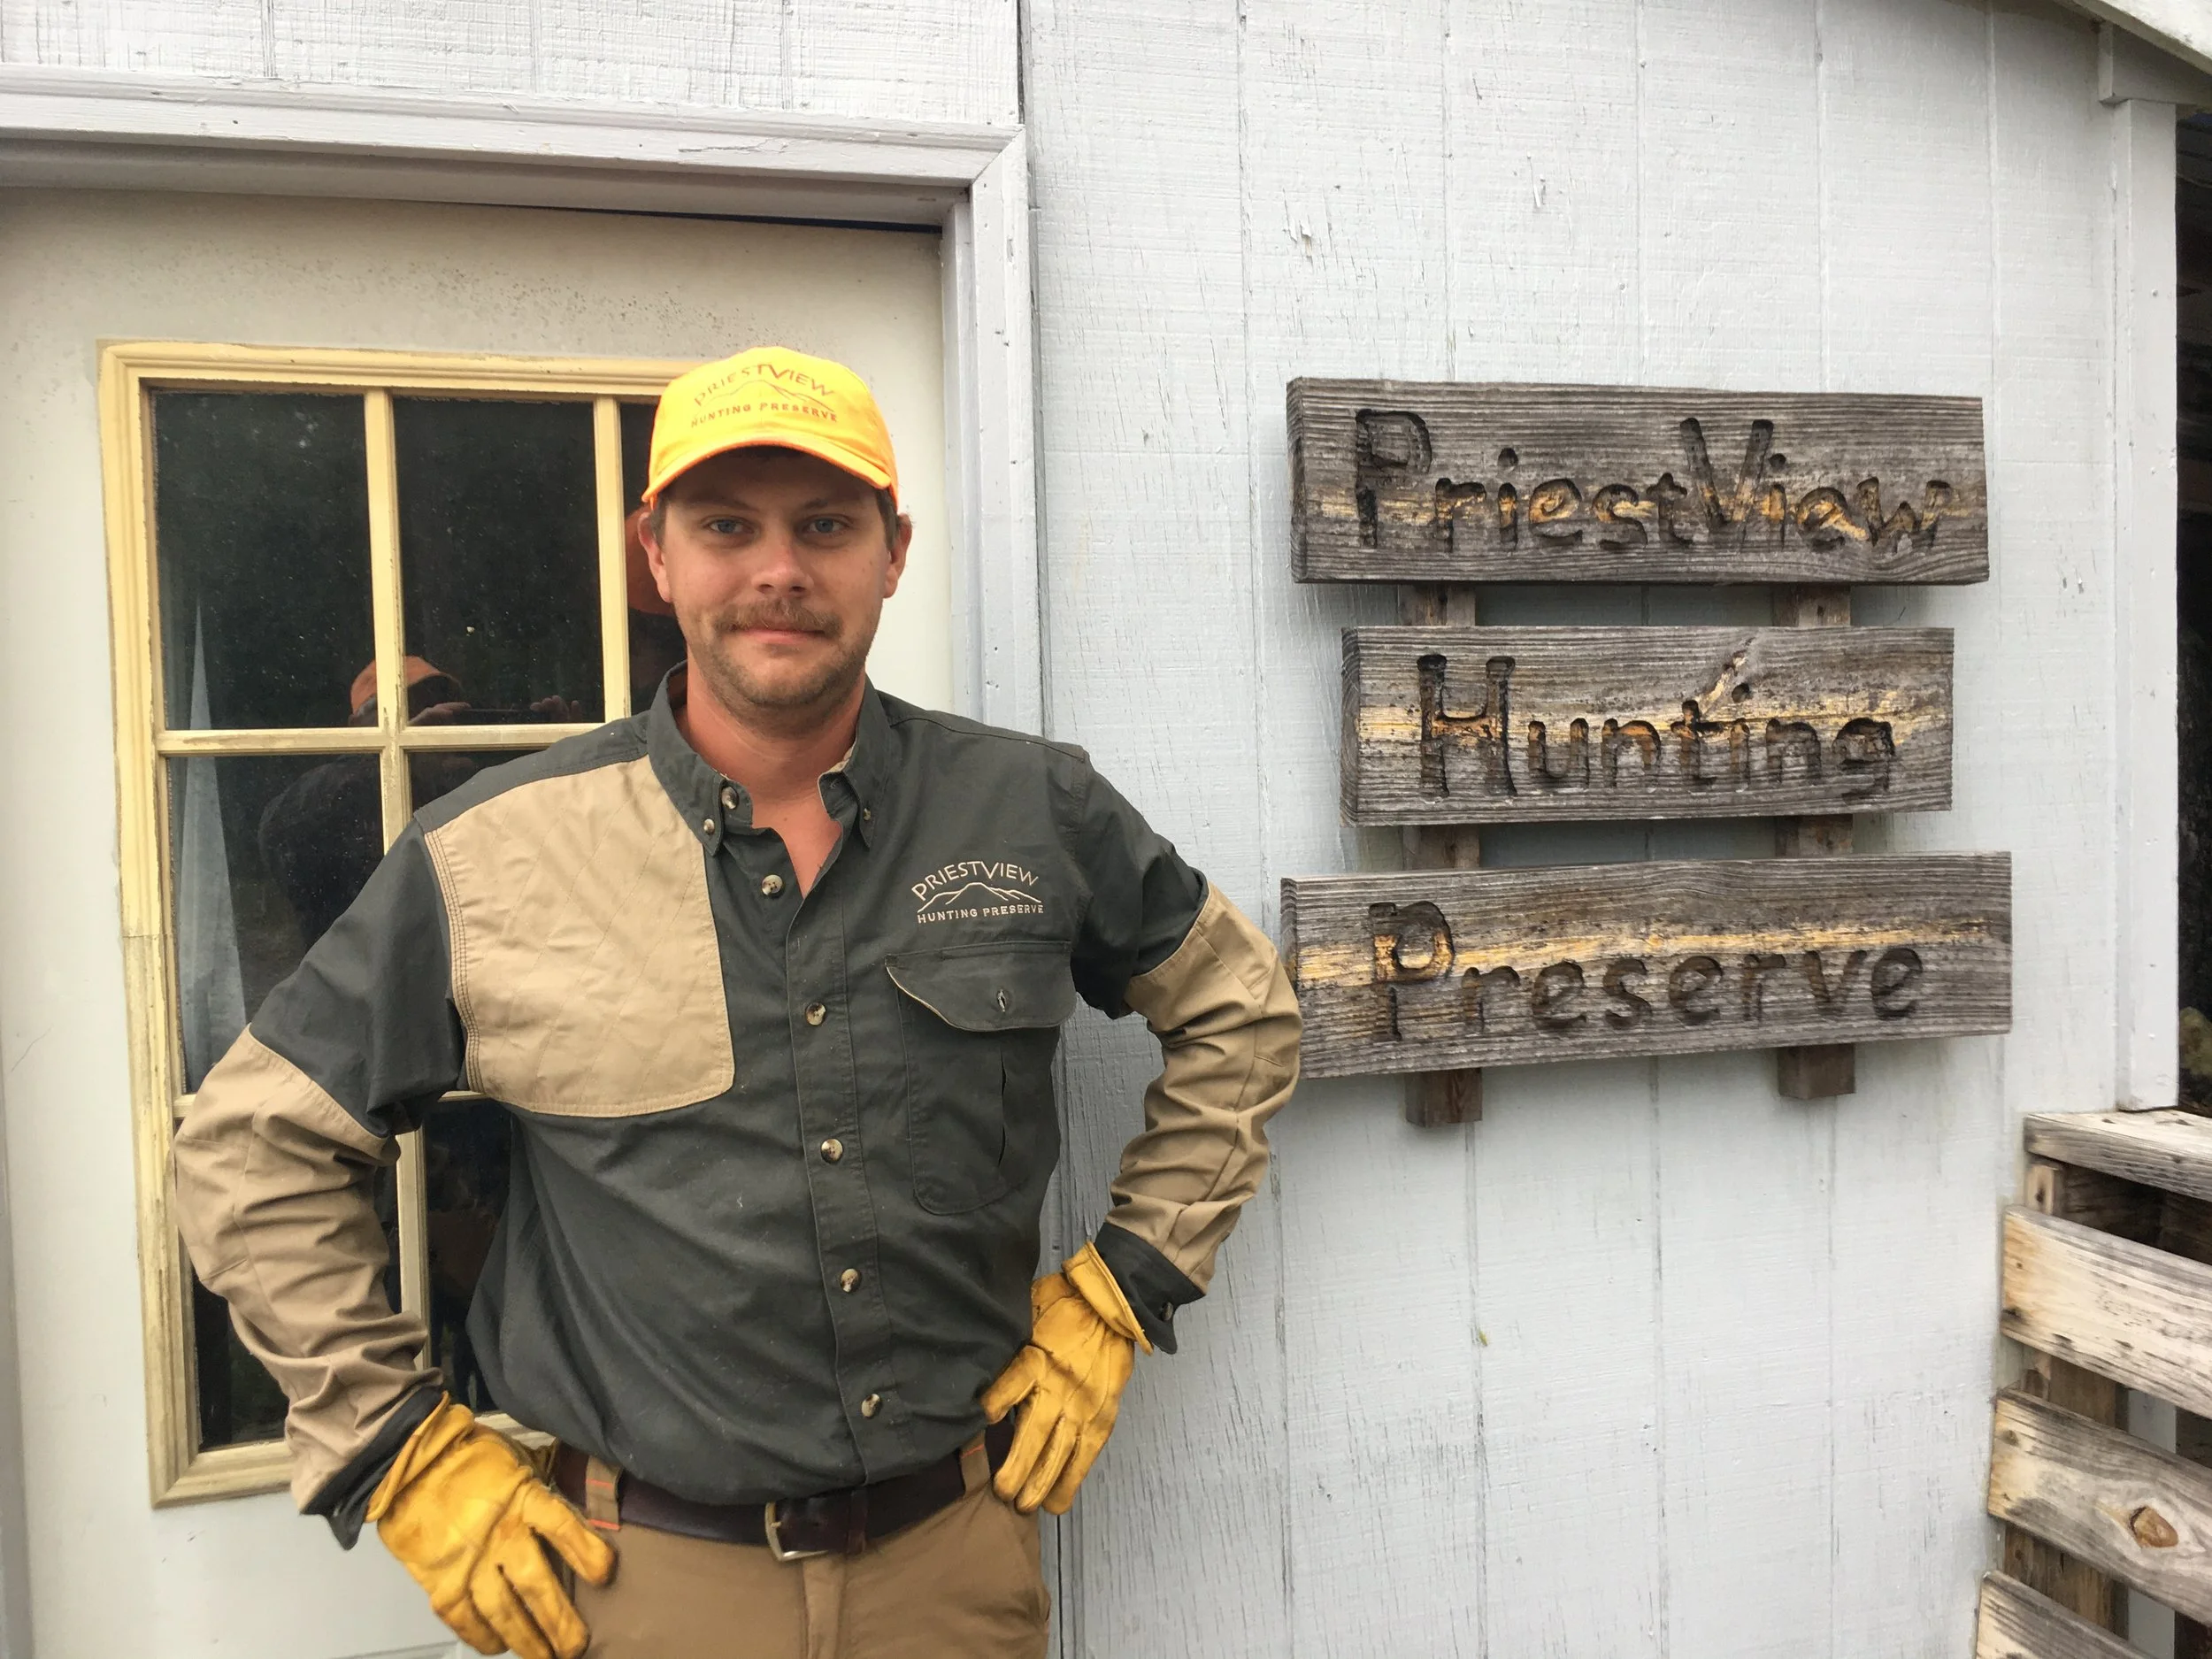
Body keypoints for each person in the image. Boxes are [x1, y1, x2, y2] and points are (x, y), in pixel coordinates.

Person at [171, 346, 1301, 1659]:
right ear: (656, 556)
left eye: (825, 525)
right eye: (726, 527)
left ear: (893, 552)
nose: (779, 570)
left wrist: (1124, 1288)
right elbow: (250, 1149)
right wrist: (398, 1450)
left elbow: (1241, 1008)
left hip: (957, 1572)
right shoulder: (494, 853)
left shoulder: (1033, 811)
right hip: (631, 1586)